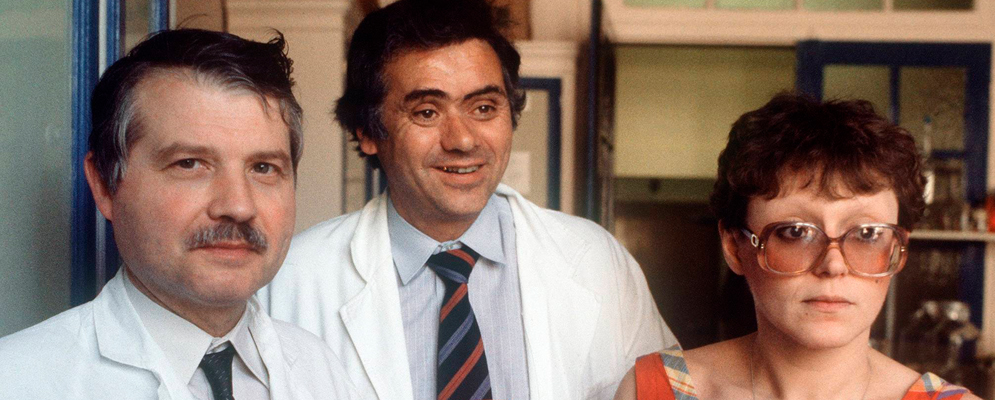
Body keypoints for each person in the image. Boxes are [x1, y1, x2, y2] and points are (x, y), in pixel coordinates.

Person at [256, 0, 676, 399]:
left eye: (484, 108)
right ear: (367, 131)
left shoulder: (597, 261)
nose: (462, 140)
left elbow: (668, 390)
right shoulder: (289, 281)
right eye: (427, 112)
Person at [0, 29, 358, 399]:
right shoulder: (17, 381)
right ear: (105, 185)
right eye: (190, 164)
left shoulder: (321, 370)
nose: (238, 206)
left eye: (263, 168)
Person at [613, 93, 979, 400]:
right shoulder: (654, 390)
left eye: (867, 233)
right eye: (796, 232)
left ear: (898, 250)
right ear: (735, 247)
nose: (833, 266)